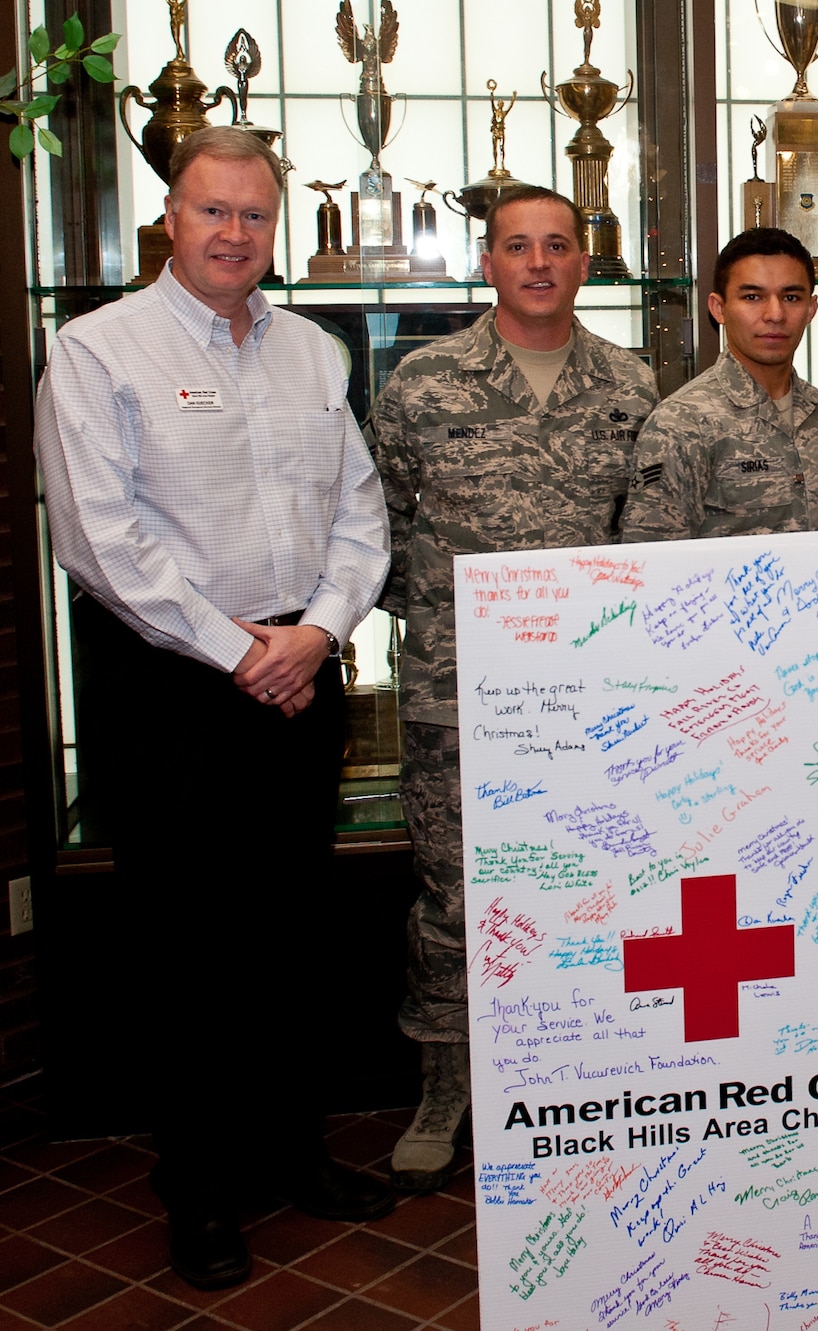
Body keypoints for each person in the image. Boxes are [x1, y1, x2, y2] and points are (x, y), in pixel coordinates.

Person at [33, 126, 393, 1289]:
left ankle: (294, 1154)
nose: (235, 234)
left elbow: (361, 510)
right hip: (177, 687)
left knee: (294, 928)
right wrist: (239, 649)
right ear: (169, 220)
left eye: (254, 214)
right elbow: (101, 536)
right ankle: (197, 1189)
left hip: (299, 671)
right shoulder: (98, 352)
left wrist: (321, 630)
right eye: (211, 212)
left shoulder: (311, 351)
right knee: (187, 947)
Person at [370, 186, 659, 1192]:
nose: (538, 263)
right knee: (455, 894)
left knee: (587, 891)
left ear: (586, 262)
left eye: (558, 246)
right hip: (459, 695)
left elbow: (644, 534)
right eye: (516, 246)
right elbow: (384, 530)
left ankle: (579, 1068)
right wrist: (454, 628)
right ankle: (445, 1088)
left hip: (591, 700)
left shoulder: (631, 383)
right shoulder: (421, 383)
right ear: (484, 261)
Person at [624, 227, 818, 540]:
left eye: (791, 297)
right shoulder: (681, 422)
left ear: (811, 309)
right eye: (752, 297)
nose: (775, 314)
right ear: (719, 308)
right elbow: (653, 563)